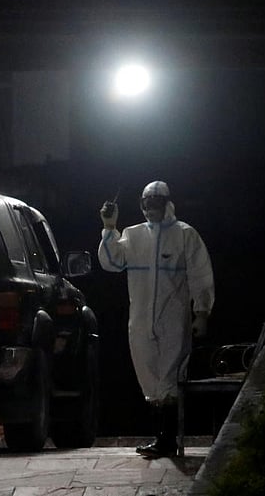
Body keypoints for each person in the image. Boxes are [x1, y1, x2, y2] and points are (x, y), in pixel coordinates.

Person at [98, 180, 214, 458]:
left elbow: (200, 276)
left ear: (167, 204)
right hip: (140, 319)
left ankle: (167, 440)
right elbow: (111, 262)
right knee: (148, 376)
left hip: (173, 318)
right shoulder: (133, 235)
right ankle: (160, 438)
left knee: (170, 378)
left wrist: (202, 312)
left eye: (155, 204)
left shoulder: (185, 235)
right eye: (145, 204)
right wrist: (109, 227)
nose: (150, 209)